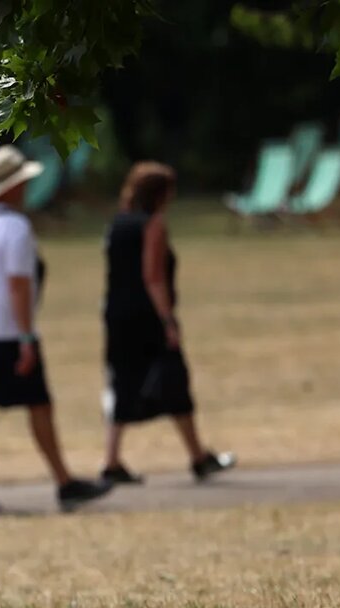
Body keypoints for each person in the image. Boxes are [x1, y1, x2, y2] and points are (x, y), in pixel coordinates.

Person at [0, 145, 112, 514]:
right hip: (5, 329)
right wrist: (25, 338)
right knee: (33, 404)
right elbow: (19, 285)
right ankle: (63, 482)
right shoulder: (15, 227)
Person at [101, 163, 236, 483]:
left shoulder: (118, 223)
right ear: (160, 194)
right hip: (146, 315)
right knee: (174, 378)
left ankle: (112, 459)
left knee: (123, 382)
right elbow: (154, 277)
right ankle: (198, 458)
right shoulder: (154, 225)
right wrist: (168, 320)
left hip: (117, 314)